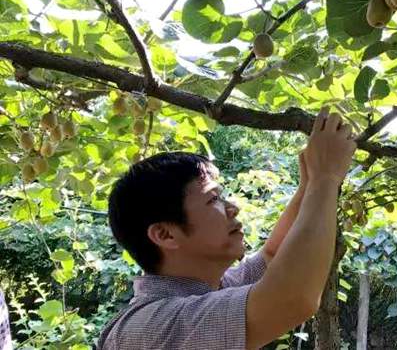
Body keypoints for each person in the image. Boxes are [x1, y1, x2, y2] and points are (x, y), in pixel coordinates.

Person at [97, 106, 357, 350]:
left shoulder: (211, 286)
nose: (233, 207)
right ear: (165, 234)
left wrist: (310, 181)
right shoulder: (152, 327)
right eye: (213, 199)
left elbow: (274, 256)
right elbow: (292, 297)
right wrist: (325, 178)